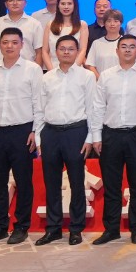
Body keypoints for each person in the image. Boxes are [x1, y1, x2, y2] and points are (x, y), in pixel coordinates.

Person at [0, 27, 44, 246]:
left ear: (22, 45)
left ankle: (21, 226)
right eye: (5, 42)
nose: (9, 46)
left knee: (23, 181)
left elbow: (38, 102)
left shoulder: (32, 69)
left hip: (22, 131)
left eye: (14, 42)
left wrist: (36, 131)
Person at [91, 34, 136, 245]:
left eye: (132, 47)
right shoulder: (106, 76)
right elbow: (98, 107)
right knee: (111, 186)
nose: (128, 50)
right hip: (111, 135)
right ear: (116, 50)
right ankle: (111, 229)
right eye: (124, 46)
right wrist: (97, 136)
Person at [36, 35, 98, 246]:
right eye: (62, 48)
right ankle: (53, 228)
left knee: (76, 182)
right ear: (56, 51)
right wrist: (39, 137)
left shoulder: (86, 76)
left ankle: (76, 228)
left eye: (71, 49)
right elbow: (39, 109)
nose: (66, 52)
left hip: (76, 132)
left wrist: (90, 137)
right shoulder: (46, 77)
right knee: (51, 182)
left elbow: (92, 108)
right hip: (50, 133)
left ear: (78, 52)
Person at [0, 0, 44, 67]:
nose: (15, 3)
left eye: (19, 0)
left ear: (25, 3)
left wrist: (37, 71)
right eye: (11, 0)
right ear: (6, 4)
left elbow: (39, 52)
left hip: (26, 70)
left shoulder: (35, 24)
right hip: (0, 69)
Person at [40, 0, 89, 69]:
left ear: (74, 5)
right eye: (63, 4)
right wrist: (52, 71)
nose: (66, 7)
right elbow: (45, 51)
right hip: (53, 69)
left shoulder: (82, 25)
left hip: (76, 69)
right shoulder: (50, 25)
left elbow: (82, 50)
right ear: (58, 5)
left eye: (69, 4)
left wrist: (73, 70)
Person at [84, 9, 124, 76]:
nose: (112, 24)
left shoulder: (126, 43)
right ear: (104, 23)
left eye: (116, 21)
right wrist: (100, 79)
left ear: (121, 23)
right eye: (109, 21)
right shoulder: (96, 43)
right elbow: (91, 65)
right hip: (100, 81)